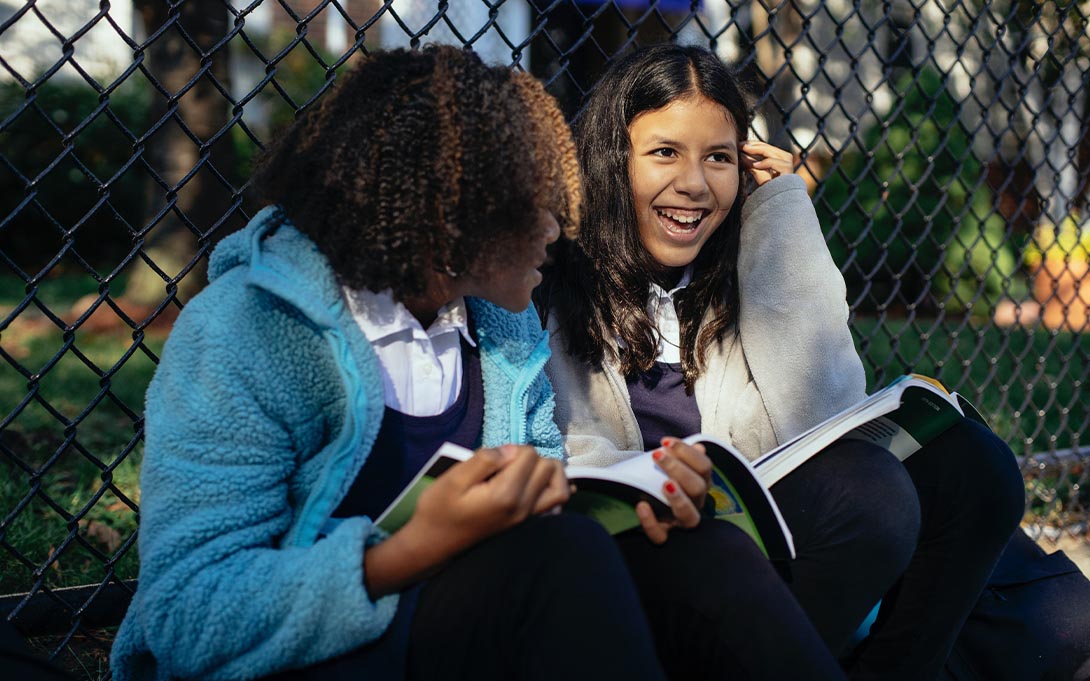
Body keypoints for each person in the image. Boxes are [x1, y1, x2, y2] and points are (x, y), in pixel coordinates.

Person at [109, 45, 675, 681]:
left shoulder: (499, 324)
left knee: (698, 552)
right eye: (534, 205)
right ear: (449, 212)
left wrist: (632, 493)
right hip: (301, 659)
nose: (558, 228)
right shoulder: (245, 331)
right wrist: (406, 552)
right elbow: (186, 616)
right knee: (561, 558)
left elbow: (537, 498)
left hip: (462, 622)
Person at [538, 43, 1025, 680]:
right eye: (664, 153)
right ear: (611, 158)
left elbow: (821, 409)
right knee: (873, 497)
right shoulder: (550, 275)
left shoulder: (741, 268)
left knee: (977, 467)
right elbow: (552, 446)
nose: (693, 183)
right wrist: (656, 480)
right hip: (650, 554)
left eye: (718, 158)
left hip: (761, 539)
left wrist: (785, 216)